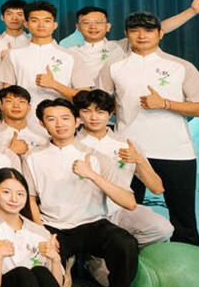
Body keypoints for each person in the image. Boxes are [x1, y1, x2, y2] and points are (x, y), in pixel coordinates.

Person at [26, 99, 141, 287]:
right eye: (51, 119)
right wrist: (41, 232)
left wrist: (92, 175)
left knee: (125, 244)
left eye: (65, 118)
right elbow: (30, 199)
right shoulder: (32, 157)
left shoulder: (96, 156)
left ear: (77, 121)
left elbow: (129, 202)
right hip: (53, 226)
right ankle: (65, 262)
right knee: (52, 285)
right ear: (41, 124)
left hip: (92, 224)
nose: (60, 124)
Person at [96, 11, 199, 246]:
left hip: (175, 151)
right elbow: (100, 104)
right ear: (127, 34)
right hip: (127, 150)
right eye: (135, 31)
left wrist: (165, 104)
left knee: (183, 216)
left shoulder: (181, 66)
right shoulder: (113, 66)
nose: (142, 35)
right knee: (124, 212)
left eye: (149, 30)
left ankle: (187, 260)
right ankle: (125, 258)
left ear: (160, 34)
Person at [73, 89, 173, 248]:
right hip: (86, 214)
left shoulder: (126, 144)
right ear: (78, 114)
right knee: (101, 263)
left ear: (110, 114)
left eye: (100, 112)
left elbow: (157, 188)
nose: (93, 117)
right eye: (86, 111)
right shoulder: (71, 144)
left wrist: (139, 160)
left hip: (121, 209)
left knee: (163, 229)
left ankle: (124, 251)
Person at [69, 0, 199, 89]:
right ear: (78, 27)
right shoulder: (69, 52)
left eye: (99, 22)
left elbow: (159, 28)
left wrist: (192, 11)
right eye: (86, 22)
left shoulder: (120, 46)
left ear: (108, 26)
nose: (93, 27)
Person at [0, 1, 80, 122]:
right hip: (23, 122)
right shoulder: (13, 54)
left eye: (47, 21)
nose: (41, 25)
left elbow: (83, 98)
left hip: (60, 123)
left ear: (55, 25)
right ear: (26, 24)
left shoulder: (71, 56)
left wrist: (54, 84)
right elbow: (7, 95)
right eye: (35, 20)